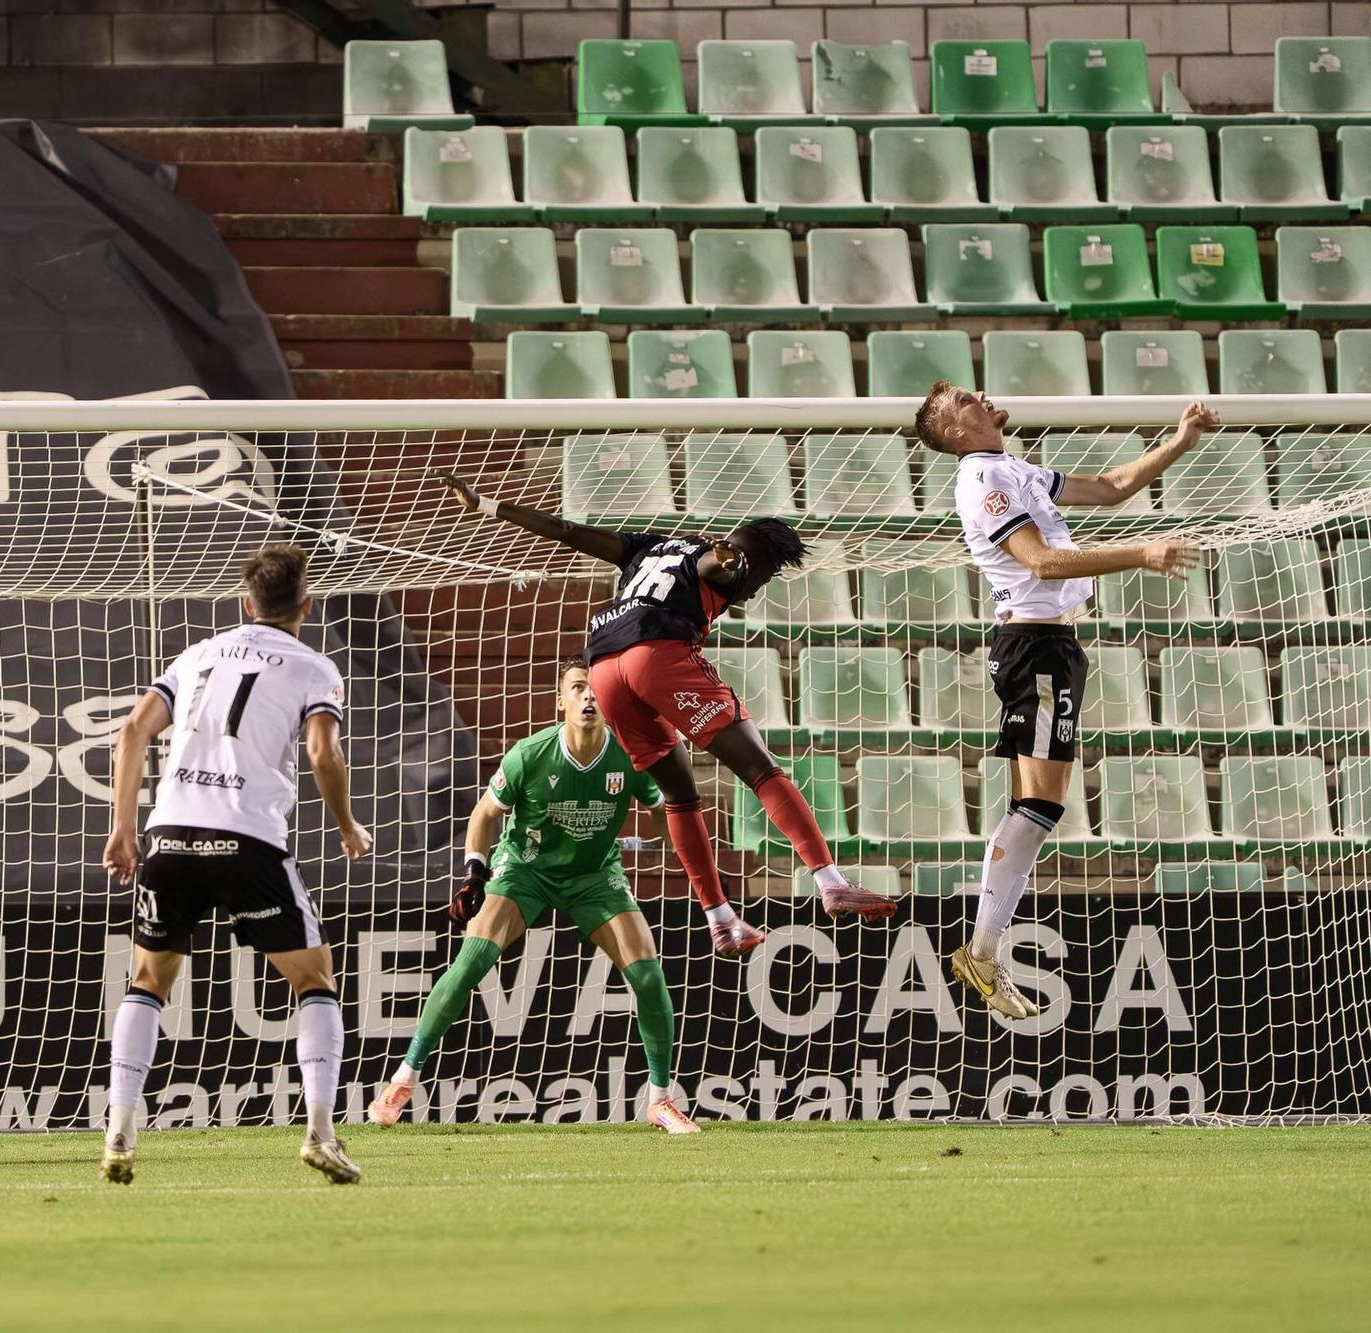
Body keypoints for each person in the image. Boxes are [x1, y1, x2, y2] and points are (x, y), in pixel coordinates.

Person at [439, 472, 896, 957]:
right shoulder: (730, 558)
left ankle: (721, 919)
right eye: (764, 578)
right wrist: (727, 559)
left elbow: (568, 532)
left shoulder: (649, 546)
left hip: (603, 667)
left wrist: (486, 504)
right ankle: (831, 881)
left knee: (678, 794)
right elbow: (718, 565)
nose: (755, 590)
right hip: (656, 653)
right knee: (761, 768)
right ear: (760, 559)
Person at [915, 382, 1211, 1017]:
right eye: (965, 398)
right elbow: (1044, 563)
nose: (981, 395)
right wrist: (1142, 553)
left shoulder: (1014, 469)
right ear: (957, 432)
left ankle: (983, 949)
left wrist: (1179, 443)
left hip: (1049, 647)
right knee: (1041, 806)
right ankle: (982, 950)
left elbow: (1109, 487)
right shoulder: (982, 481)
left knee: (1035, 805)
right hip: (1035, 648)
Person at [100, 543, 372, 1185]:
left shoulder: (198, 654)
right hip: (246, 836)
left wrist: (123, 827)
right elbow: (323, 754)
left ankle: (119, 1133)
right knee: (314, 979)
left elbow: (133, 731)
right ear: (306, 606)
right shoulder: (315, 667)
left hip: (170, 835)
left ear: (247, 603)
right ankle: (321, 1133)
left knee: (148, 981)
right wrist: (346, 823)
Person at [370, 661, 700, 1133]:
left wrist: (680, 846)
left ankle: (661, 1100)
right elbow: (484, 816)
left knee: (648, 976)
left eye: (596, 689)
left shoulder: (630, 754)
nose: (588, 697)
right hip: (525, 870)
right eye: (578, 688)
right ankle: (403, 1079)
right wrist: (474, 873)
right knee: (470, 963)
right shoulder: (530, 753)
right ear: (560, 701)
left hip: (593, 874)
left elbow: (664, 813)